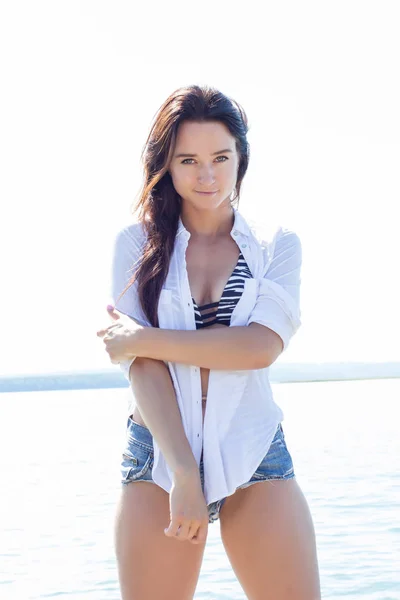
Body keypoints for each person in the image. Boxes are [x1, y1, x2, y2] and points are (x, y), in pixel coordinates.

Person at [97, 84, 321, 600]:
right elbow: (142, 367)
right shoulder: (136, 244)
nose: (207, 175)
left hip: (253, 447)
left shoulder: (275, 246)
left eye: (221, 157)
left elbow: (259, 347)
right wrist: (182, 473)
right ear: (167, 166)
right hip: (158, 451)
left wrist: (144, 337)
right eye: (188, 160)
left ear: (241, 158)